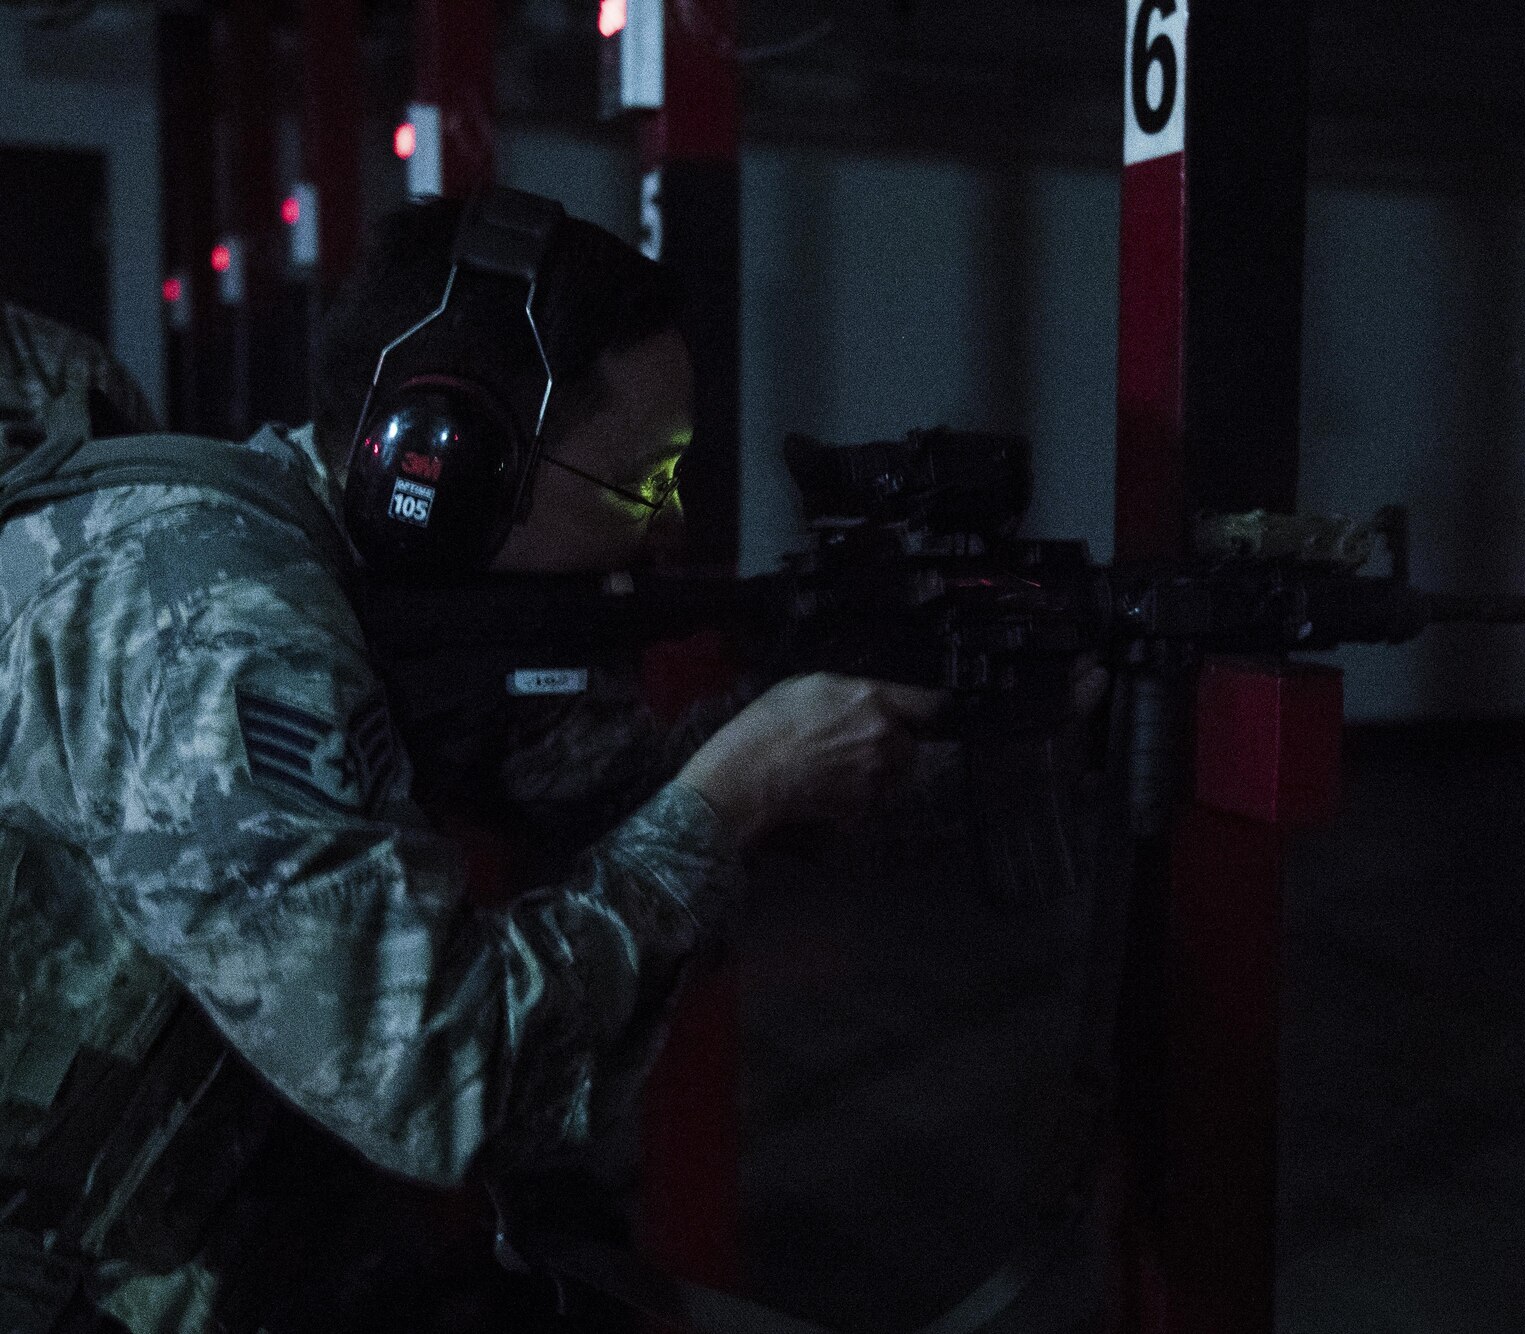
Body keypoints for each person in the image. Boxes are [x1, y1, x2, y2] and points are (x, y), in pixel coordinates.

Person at [0, 195, 977, 1333]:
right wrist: (734, 793)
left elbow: (592, 772)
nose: (665, 526)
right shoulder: (215, 616)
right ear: (451, 459)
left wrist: (893, 717)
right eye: (642, 480)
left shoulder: (329, 555)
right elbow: (434, 1074)